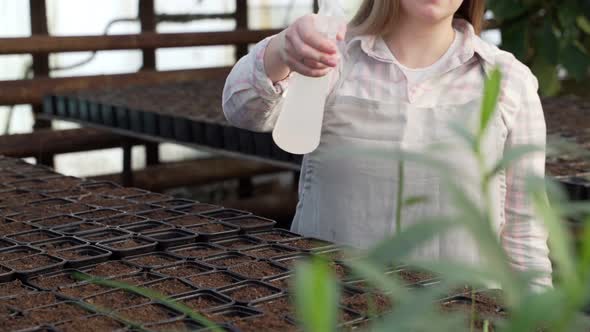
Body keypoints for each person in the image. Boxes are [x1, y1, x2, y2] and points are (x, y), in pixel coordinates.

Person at [222, 0, 551, 289]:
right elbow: (243, 111)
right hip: (334, 305)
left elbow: (525, 229)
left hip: (461, 314)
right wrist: (282, 50)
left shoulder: (508, 80)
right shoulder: (334, 59)